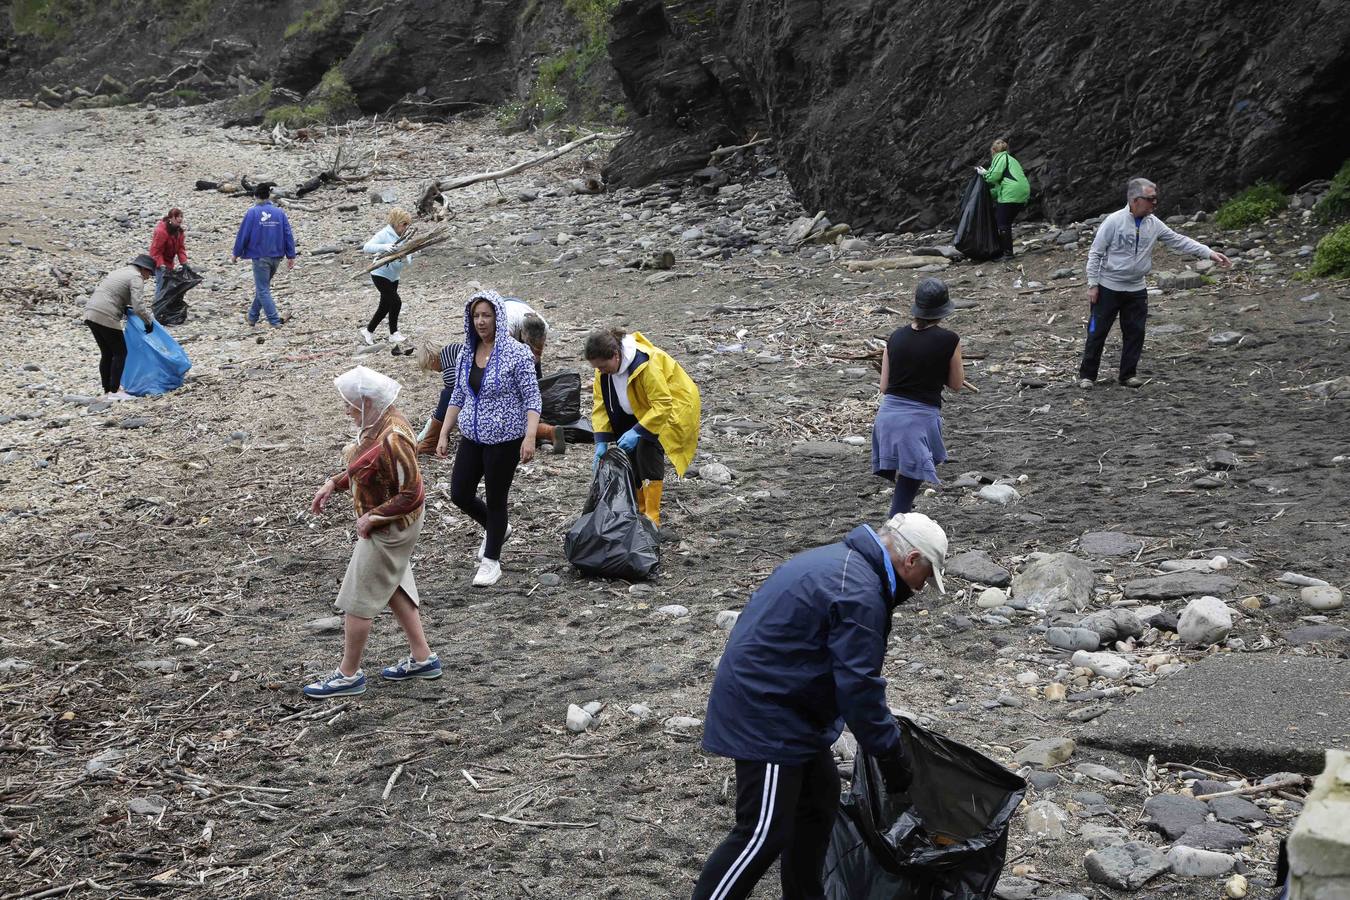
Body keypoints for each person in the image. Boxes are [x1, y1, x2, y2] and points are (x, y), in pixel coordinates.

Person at [693, 512, 949, 900]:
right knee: (762, 833)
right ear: (911, 560)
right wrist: (890, 753)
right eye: (926, 578)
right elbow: (859, 687)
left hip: (791, 704)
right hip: (768, 712)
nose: (921, 588)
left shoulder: (843, 562)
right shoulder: (859, 592)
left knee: (819, 800)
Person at [306, 366, 440, 698]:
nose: (346, 410)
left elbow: (413, 493)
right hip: (391, 522)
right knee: (393, 583)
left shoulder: (393, 436)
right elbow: (365, 465)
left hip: (391, 526)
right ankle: (423, 658)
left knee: (358, 598)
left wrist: (373, 518)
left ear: (367, 401)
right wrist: (333, 483)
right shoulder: (378, 424)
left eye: (350, 404)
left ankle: (348, 674)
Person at [1078, 177, 1233, 389]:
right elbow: (1095, 253)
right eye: (1150, 199)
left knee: (1135, 332)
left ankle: (1127, 375)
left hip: (1136, 288)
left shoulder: (1154, 223)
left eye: (1155, 199)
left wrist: (1208, 252)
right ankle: (1088, 375)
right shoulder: (1114, 222)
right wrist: (1093, 284)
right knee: (1097, 332)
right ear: (1135, 199)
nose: (1154, 203)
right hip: (1108, 287)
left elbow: (1178, 240)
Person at [435, 290, 542, 587]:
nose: (481, 321)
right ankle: (498, 528)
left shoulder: (517, 353)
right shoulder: (467, 353)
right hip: (472, 434)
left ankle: (491, 561)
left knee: (497, 498)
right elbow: (457, 394)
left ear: (498, 316)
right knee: (459, 493)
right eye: (476, 316)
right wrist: (444, 432)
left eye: (487, 315)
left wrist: (530, 437)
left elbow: (533, 398)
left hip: (506, 438)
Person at [584, 328, 701, 529]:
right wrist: (601, 441)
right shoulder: (603, 370)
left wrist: (638, 431)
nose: (600, 371)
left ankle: (652, 516)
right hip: (636, 408)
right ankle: (638, 508)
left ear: (616, 355)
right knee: (629, 457)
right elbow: (601, 404)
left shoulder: (647, 363)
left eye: (602, 366)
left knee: (647, 451)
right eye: (597, 368)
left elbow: (663, 404)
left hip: (670, 407)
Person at [873, 278, 964, 517]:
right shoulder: (949, 340)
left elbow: (884, 387)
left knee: (908, 480)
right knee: (906, 491)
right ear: (943, 311)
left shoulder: (894, 338)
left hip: (887, 419)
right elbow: (956, 384)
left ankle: (902, 518)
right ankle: (895, 533)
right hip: (916, 421)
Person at [83, 254, 158, 399]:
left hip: (90, 313)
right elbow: (138, 306)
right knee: (120, 352)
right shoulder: (136, 277)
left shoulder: (120, 272)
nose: (148, 277)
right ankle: (115, 391)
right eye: (149, 273)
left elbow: (114, 294)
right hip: (106, 315)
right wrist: (148, 322)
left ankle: (107, 390)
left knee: (107, 353)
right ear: (143, 268)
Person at [231, 182, 297, 328]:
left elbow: (243, 234)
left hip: (260, 257)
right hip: (276, 257)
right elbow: (288, 234)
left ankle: (274, 321)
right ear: (268, 195)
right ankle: (252, 317)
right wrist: (291, 255)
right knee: (263, 288)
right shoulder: (279, 213)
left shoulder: (252, 213)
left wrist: (236, 253)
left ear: (255, 196)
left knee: (262, 289)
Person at [359, 208, 414, 345]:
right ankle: (394, 333)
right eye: (404, 224)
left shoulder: (404, 237)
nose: (406, 227)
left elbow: (409, 258)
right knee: (396, 302)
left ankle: (368, 331)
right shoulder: (384, 234)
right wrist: (384, 247)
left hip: (394, 276)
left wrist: (404, 256)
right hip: (380, 274)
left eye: (408, 224)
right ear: (396, 223)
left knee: (384, 306)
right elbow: (367, 247)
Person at [976, 138, 1031, 260]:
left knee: (1002, 224)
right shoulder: (1012, 160)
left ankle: (1007, 254)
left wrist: (984, 173)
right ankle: (1006, 251)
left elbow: (993, 176)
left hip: (1011, 193)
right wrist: (990, 194)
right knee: (1004, 221)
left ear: (993, 150)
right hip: (1021, 193)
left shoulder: (1000, 157)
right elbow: (1002, 184)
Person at [148, 207, 188, 299]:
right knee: (161, 286)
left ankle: (166, 309)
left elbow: (180, 248)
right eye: (176, 217)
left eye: (181, 217)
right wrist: (161, 265)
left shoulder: (179, 232)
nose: (180, 219)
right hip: (159, 262)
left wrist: (184, 262)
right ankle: (156, 311)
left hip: (169, 262)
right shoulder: (161, 232)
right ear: (170, 218)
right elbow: (156, 251)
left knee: (169, 286)